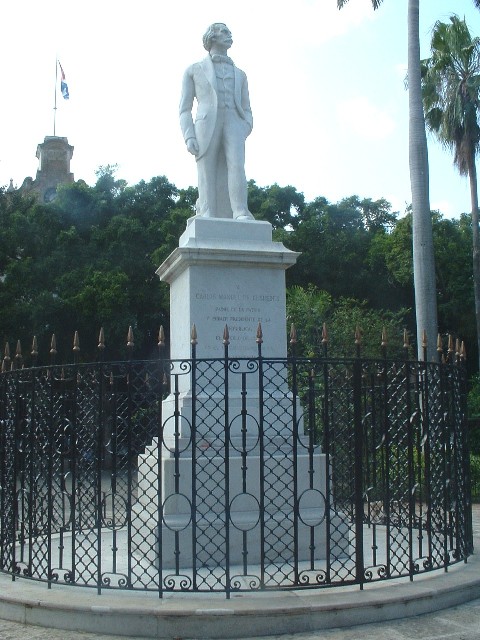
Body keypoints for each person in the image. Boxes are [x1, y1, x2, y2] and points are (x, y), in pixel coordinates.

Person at [179, 23, 254, 220]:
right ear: (212, 37)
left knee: (237, 165)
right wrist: (189, 135)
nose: (230, 35)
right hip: (205, 124)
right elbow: (184, 109)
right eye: (224, 32)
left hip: (234, 122)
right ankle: (207, 212)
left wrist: (246, 124)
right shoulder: (194, 70)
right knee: (206, 168)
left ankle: (240, 211)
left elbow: (246, 106)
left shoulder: (240, 74)